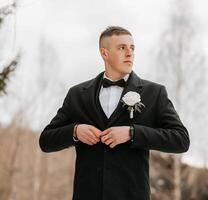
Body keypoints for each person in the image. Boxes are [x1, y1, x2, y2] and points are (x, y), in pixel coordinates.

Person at [39, 26, 189, 200]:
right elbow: (46, 140)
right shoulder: (78, 94)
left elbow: (181, 139)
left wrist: (132, 133)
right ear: (104, 53)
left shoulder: (154, 93)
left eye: (132, 48)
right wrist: (75, 131)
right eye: (122, 48)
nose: (129, 53)